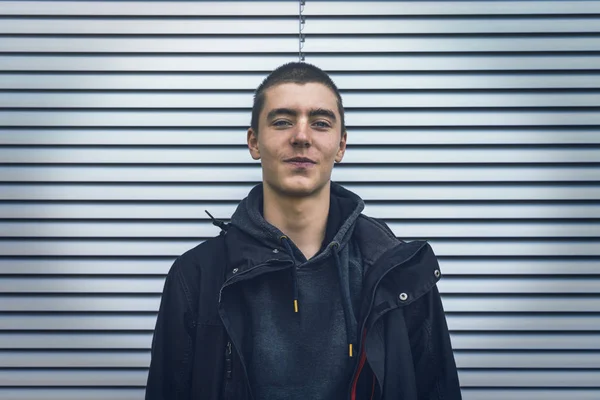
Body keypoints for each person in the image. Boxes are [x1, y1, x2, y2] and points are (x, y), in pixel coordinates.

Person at [145, 62, 462, 400]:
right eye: (282, 122)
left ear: (341, 146)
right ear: (253, 142)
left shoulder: (399, 273)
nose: (301, 136)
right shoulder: (196, 276)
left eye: (320, 123)